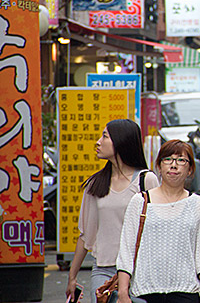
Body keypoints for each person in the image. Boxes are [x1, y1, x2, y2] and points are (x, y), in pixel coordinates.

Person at [66, 119, 160, 303]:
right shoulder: (95, 184)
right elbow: (86, 234)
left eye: (105, 136)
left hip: (140, 271)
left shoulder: (146, 181)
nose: (98, 142)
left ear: (121, 141)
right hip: (104, 270)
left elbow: (157, 229)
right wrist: (72, 277)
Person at [116, 140, 200, 303]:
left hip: (186, 293)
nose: (174, 165)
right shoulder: (140, 202)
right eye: (167, 159)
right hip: (144, 293)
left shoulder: (199, 205)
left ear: (190, 169)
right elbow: (126, 250)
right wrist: (122, 292)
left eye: (181, 160)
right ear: (159, 166)